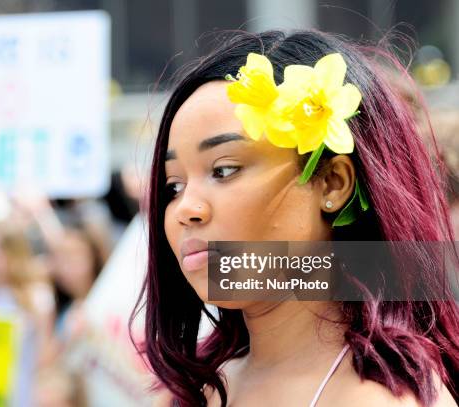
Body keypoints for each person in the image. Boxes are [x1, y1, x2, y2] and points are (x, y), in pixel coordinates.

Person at [133, 30, 458, 406]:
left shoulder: (380, 399)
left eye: (223, 170)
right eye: (173, 186)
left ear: (333, 184)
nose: (186, 209)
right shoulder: (193, 391)